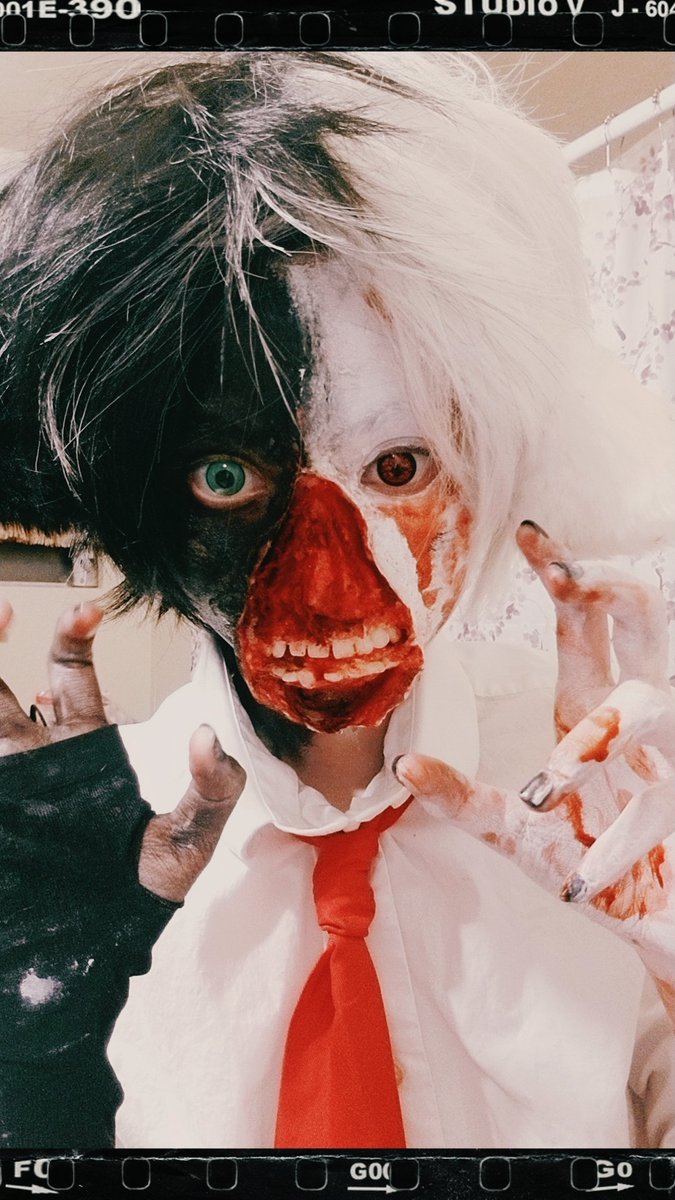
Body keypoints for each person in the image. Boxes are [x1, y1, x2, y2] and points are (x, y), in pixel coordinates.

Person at [0, 50, 673, 1150]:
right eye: (227, 476)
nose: (327, 586)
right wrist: (35, 1060)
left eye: (399, 467)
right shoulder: (91, 849)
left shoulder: (623, 816)